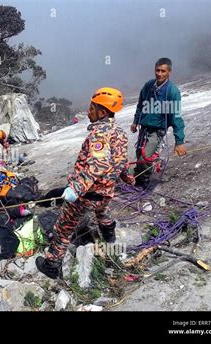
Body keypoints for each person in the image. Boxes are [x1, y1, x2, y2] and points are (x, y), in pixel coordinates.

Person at [35, 87, 135, 279]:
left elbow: (98, 164)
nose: (88, 112)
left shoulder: (99, 134)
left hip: (87, 194)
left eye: (91, 108)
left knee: (63, 227)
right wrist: (127, 178)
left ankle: (52, 264)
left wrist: (75, 188)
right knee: (102, 212)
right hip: (106, 192)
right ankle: (109, 234)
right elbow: (121, 161)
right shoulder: (120, 133)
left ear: (102, 112)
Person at [131, 57, 186, 189]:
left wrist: (179, 142)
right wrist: (135, 121)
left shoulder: (172, 91)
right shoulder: (149, 85)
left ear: (169, 72)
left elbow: (176, 117)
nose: (159, 74)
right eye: (157, 70)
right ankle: (139, 176)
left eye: (163, 71)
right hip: (144, 127)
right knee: (139, 153)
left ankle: (143, 182)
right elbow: (140, 105)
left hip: (157, 130)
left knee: (145, 157)